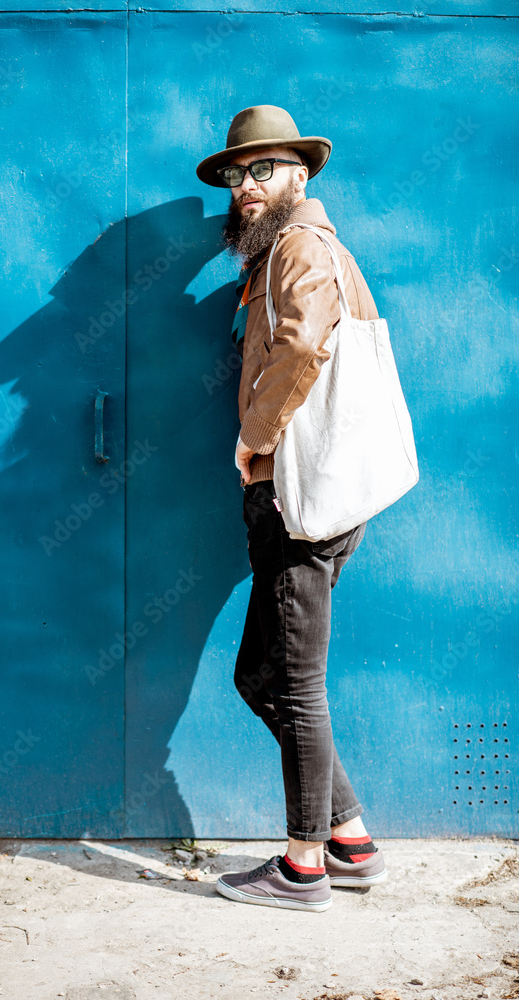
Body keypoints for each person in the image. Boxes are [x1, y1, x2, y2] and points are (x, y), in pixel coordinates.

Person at [196, 105, 388, 911]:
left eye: (261, 170)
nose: (245, 187)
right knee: (259, 675)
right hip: (301, 496)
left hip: (296, 494)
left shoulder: (300, 247)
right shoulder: (281, 252)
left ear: (298, 176)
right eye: (236, 174)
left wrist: (253, 438)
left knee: (296, 685)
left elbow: (306, 346)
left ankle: (302, 866)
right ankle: (347, 836)